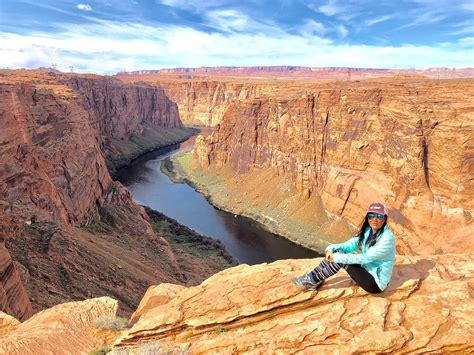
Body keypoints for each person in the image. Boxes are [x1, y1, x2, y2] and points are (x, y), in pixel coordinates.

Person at [292, 202, 396, 293]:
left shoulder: (387, 238)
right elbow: (350, 245)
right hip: (366, 270)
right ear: (367, 217)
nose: (375, 219)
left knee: (341, 259)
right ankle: (312, 276)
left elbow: (366, 258)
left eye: (379, 216)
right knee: (338, 251)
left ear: (385, 218)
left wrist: (336, 257)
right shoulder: (368, 230)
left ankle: (312, 282)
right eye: (371, 215)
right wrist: (331, 248)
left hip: (375, 282)